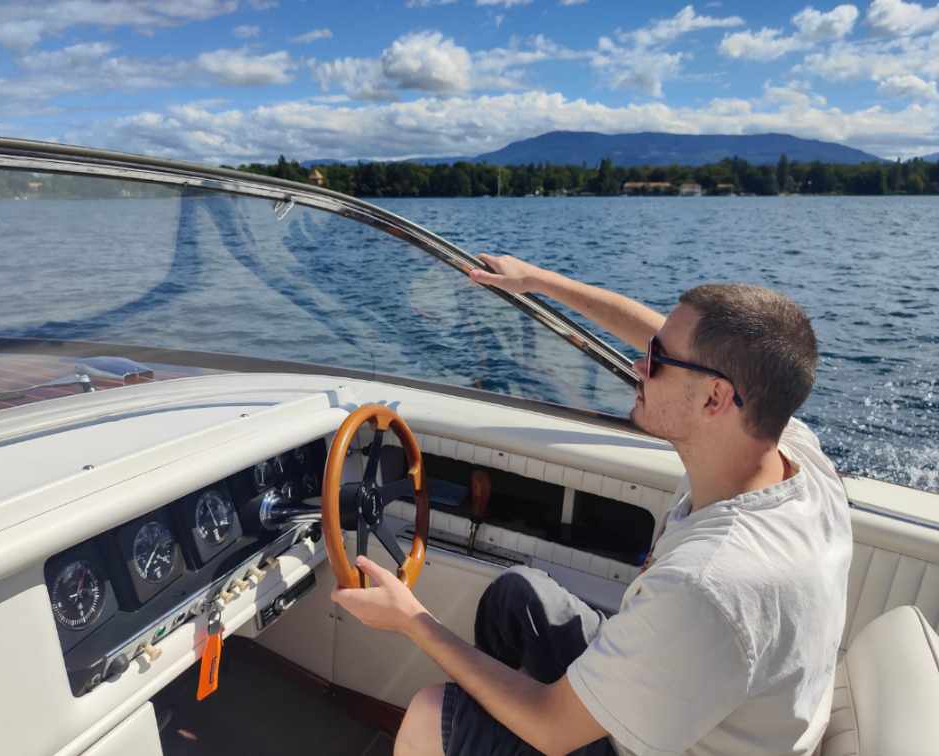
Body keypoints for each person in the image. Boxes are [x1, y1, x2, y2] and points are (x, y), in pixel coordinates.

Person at [331, 253, 853, 756]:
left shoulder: (710, 583)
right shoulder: (789, 446)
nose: (636, 364)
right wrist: (538, 281)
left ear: (715, 398)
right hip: (692, 705)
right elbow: (682, 351)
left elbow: (553, 728)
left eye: (655, 362)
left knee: (429, 715)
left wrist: (411, 620)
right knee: (517, 598)